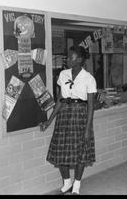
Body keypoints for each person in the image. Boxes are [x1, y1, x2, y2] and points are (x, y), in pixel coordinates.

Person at [40, 45, 97, 195]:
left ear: (79, 59)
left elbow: (91, 107)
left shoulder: (89, 78)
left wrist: (87, 129)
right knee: (61, 152)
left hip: (80, 116)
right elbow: (60, 99)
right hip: (64, 115)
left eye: (70, 56)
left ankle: (76, 185)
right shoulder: (63, 74)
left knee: (80, 153)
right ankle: (66, 182)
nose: (67, 59)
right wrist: (49, 121)